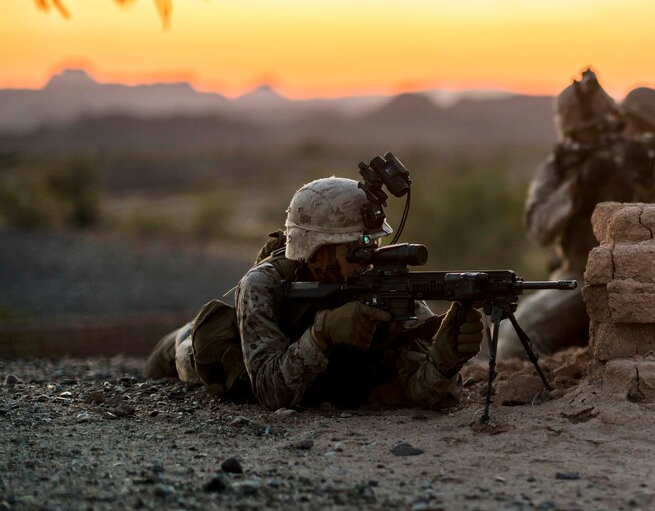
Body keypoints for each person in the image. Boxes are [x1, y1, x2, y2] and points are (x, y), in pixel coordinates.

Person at [144, 176, 484, 411]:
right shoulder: (263, 284)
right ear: (316, 251)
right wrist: (322, 334)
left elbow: (418, 391)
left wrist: (444, 362)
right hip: (221, 354)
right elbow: (269, 391)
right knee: (181, 350)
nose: (368, 260)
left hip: (310, 371)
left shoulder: (381, 287)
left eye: (372, 245)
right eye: (353, 249)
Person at [495, 69, 655, 359]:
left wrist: (643, 178)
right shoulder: (560, 167)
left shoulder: (640, 161)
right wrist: (578, 187)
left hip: (633, 281)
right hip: (574, 278)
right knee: (507, 340)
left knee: (513, 346)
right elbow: (538, 229)